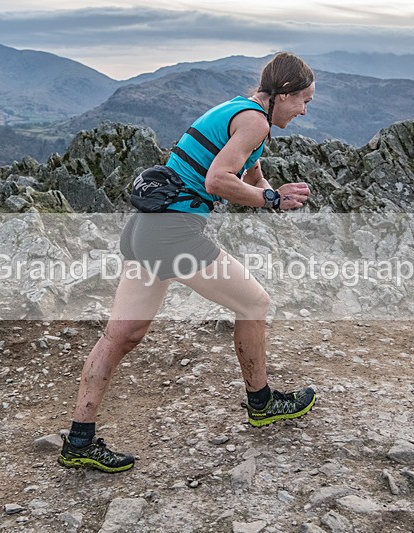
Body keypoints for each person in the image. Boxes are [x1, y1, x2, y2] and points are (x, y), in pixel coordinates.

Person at [59, 52, 317, 472]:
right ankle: (262, 401)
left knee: (120, 336)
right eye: (303, 99)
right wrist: (271, 198)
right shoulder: (256, 122)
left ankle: (79, 440)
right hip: (173, 234)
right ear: (282, 94)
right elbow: (218, 180)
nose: (304, 109)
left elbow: (251, 176)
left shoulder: (238, 111)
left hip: (143, 229)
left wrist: (273, 197)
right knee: (254, 303)